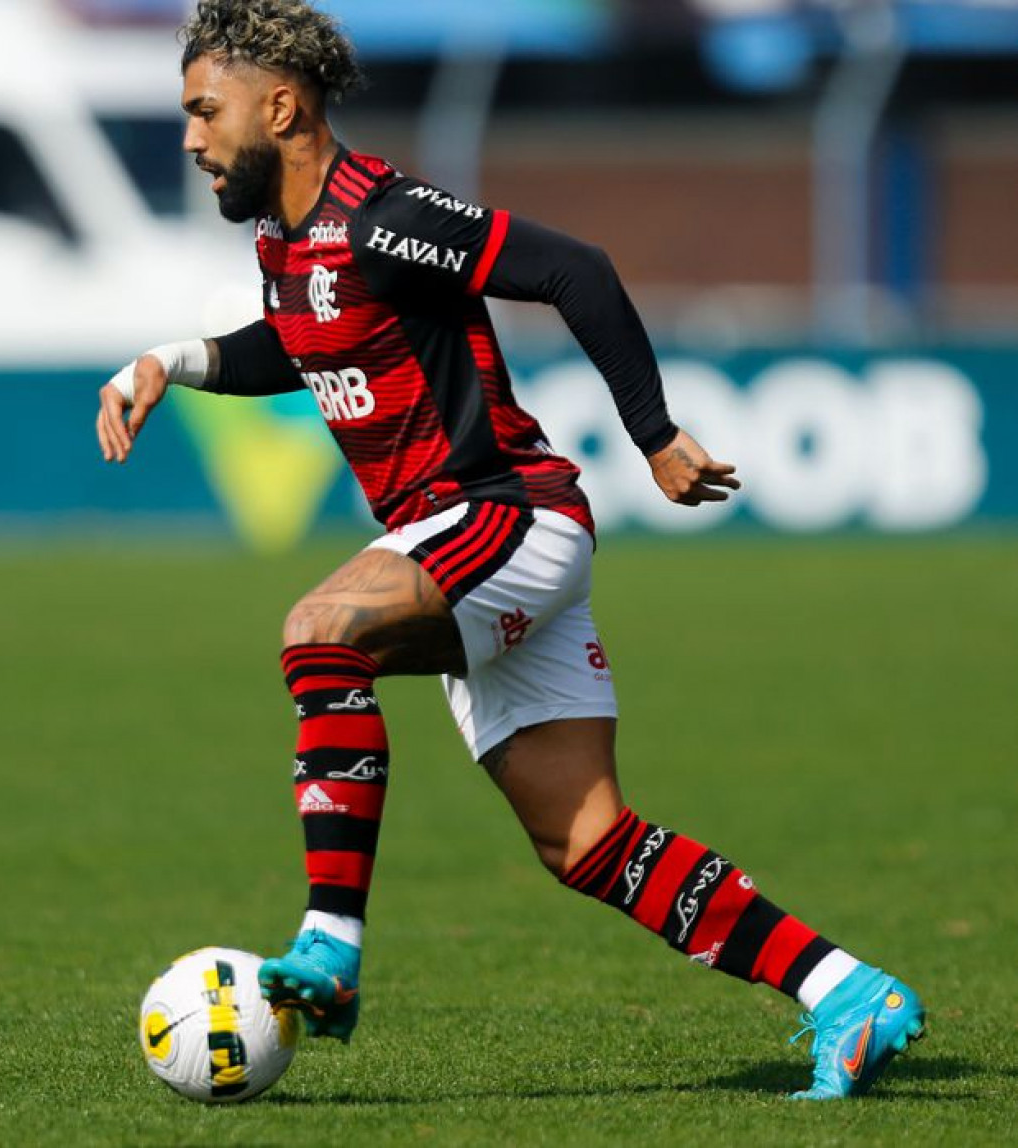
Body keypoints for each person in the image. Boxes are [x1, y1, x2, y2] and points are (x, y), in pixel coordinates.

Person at [95, 0, 923, 1101]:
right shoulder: (284, 242)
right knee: (587, 842)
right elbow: (296, 345)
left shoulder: (384, 214)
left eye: (206, 111)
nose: (192, 136)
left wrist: (656, 435)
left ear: (281, 106)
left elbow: (573, 268)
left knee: (319, 633)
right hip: (454, 539)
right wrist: (172, 361)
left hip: (506, 513)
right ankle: (849, 992)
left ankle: (330, 945)